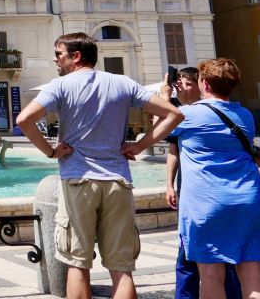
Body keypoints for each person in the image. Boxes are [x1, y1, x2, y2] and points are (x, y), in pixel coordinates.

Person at [16, 32, 183, 299]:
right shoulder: (122, 83)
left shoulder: (60, 86)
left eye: (59, 54)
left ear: (76, 56)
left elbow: (24, 119)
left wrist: (50, 152)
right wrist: (139, 146)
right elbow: (174, 114)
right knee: (122, 269)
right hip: (118, 180)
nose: (55, 60)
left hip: (78, 180)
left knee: (77, 264)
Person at [169, 58, 260, 299]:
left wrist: (166, 96)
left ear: (205, 84)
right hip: (247, 199)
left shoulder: (187, 114)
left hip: (206, 203)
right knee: (252, 280)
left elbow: (161, 127)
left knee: (211, 277)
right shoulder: (246, 115)